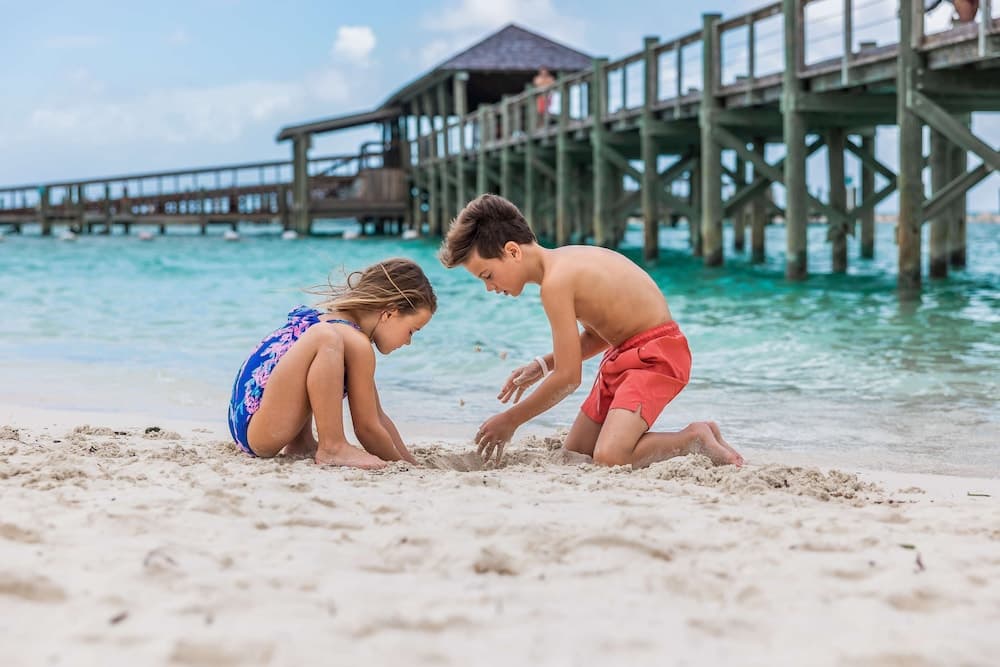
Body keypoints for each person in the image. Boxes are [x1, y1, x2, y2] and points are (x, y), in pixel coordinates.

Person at [439, 194, 744, 469]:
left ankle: (693, 439)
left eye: (487, 275)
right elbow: (601, 334)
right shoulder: (564, 260)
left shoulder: (555, 284)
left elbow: (569, 378)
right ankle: (703, 436)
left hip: (655, 355)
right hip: (623, 354)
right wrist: (543, 365)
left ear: (512, 251)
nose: (489, 287)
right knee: (577, 451)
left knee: (611, 456)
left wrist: (511, 419)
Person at [227, 258, 436, 469]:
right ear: (390, 313)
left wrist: (410, 463)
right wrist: (399, 464)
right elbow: (367, 428)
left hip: (247, 421)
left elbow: (378, 417)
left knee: (324, 344)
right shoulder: (351, 340)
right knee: (325, 338)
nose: (408, 342)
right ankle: (332, 446)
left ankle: (301, 442)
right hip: (261, 432)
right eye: (412, 331)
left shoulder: (338, 326)